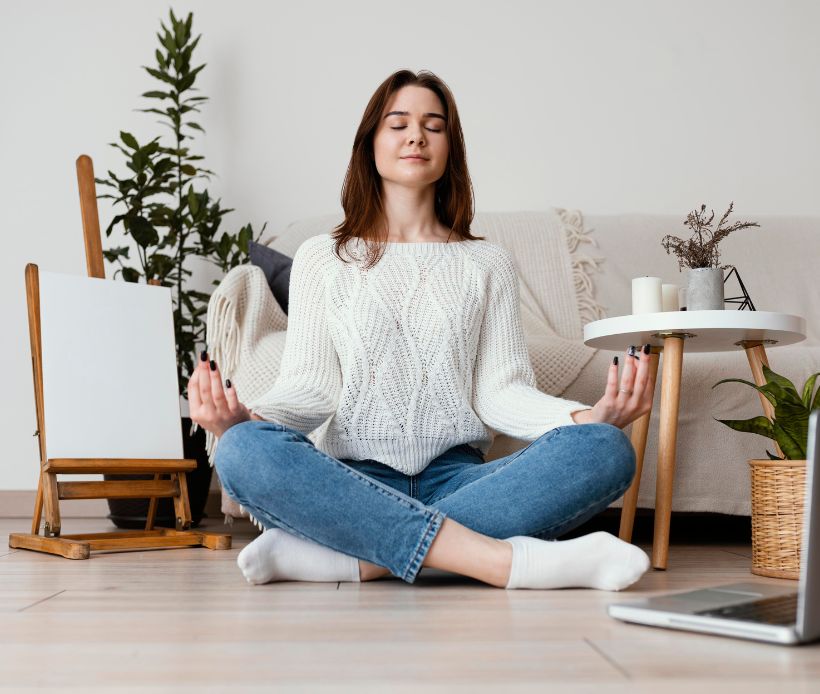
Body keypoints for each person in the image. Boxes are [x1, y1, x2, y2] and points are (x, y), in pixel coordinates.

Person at [188, 69, 654, 590]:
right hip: (350, 481)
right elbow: (311, 388)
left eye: (434, 125)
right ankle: (503, 563)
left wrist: (584, 417)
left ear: (450, 148)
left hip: (462, 479)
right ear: (370, 144)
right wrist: (248, 419)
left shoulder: (487, 262)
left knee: (605, 448)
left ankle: (349, 559)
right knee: (242, 452)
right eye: (399, 124)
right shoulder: (323, 258)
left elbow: (501, 393)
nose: (416, 136)